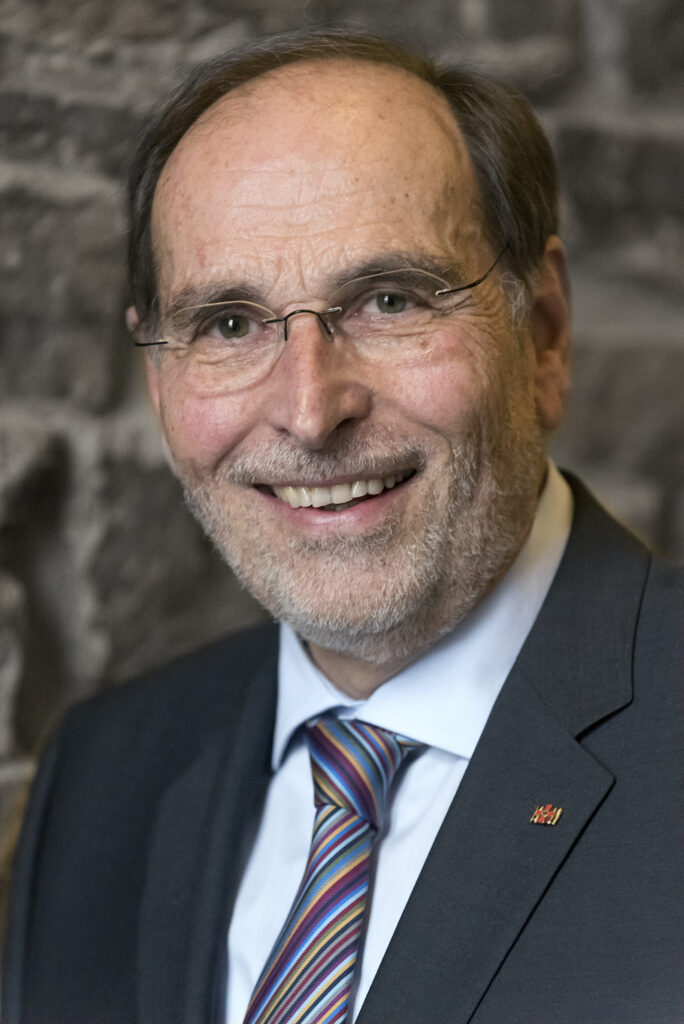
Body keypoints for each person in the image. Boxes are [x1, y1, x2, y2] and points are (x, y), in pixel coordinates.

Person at [2, 29, 682, 1024]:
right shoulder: (103, 778)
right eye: (229, 323)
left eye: (389, 300)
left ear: (542, 333)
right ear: (157, 376)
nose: (311, 412)